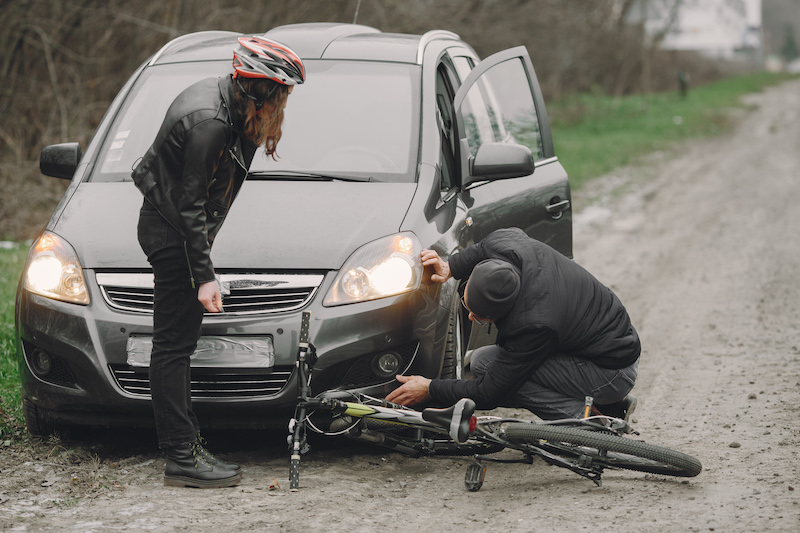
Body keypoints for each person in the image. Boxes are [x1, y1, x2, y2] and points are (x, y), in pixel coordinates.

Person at [132, 36, 305, 488]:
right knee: (173, 347)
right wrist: (204, 277)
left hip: (178, 228)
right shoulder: (209, 121)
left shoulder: (228, 103)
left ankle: (187, 443)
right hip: (174, 234)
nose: (284, 103)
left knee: (178, 346)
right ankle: (180, 458)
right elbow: (189, 204)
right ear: (259, 89)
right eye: (282, 94)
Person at [386, 227, 640, 422]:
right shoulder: (507, 244)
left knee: (499, 373)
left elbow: (491, 393)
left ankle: (589, 423)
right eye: (468, 308)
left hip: (612, 372)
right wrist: (449, 266)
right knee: (483, 361)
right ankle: (609, 407)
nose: (472, 318)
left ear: (506, 311)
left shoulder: (533, 325)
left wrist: (430, 388)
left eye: (481, 317)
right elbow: (482, 248)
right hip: (601, 345)